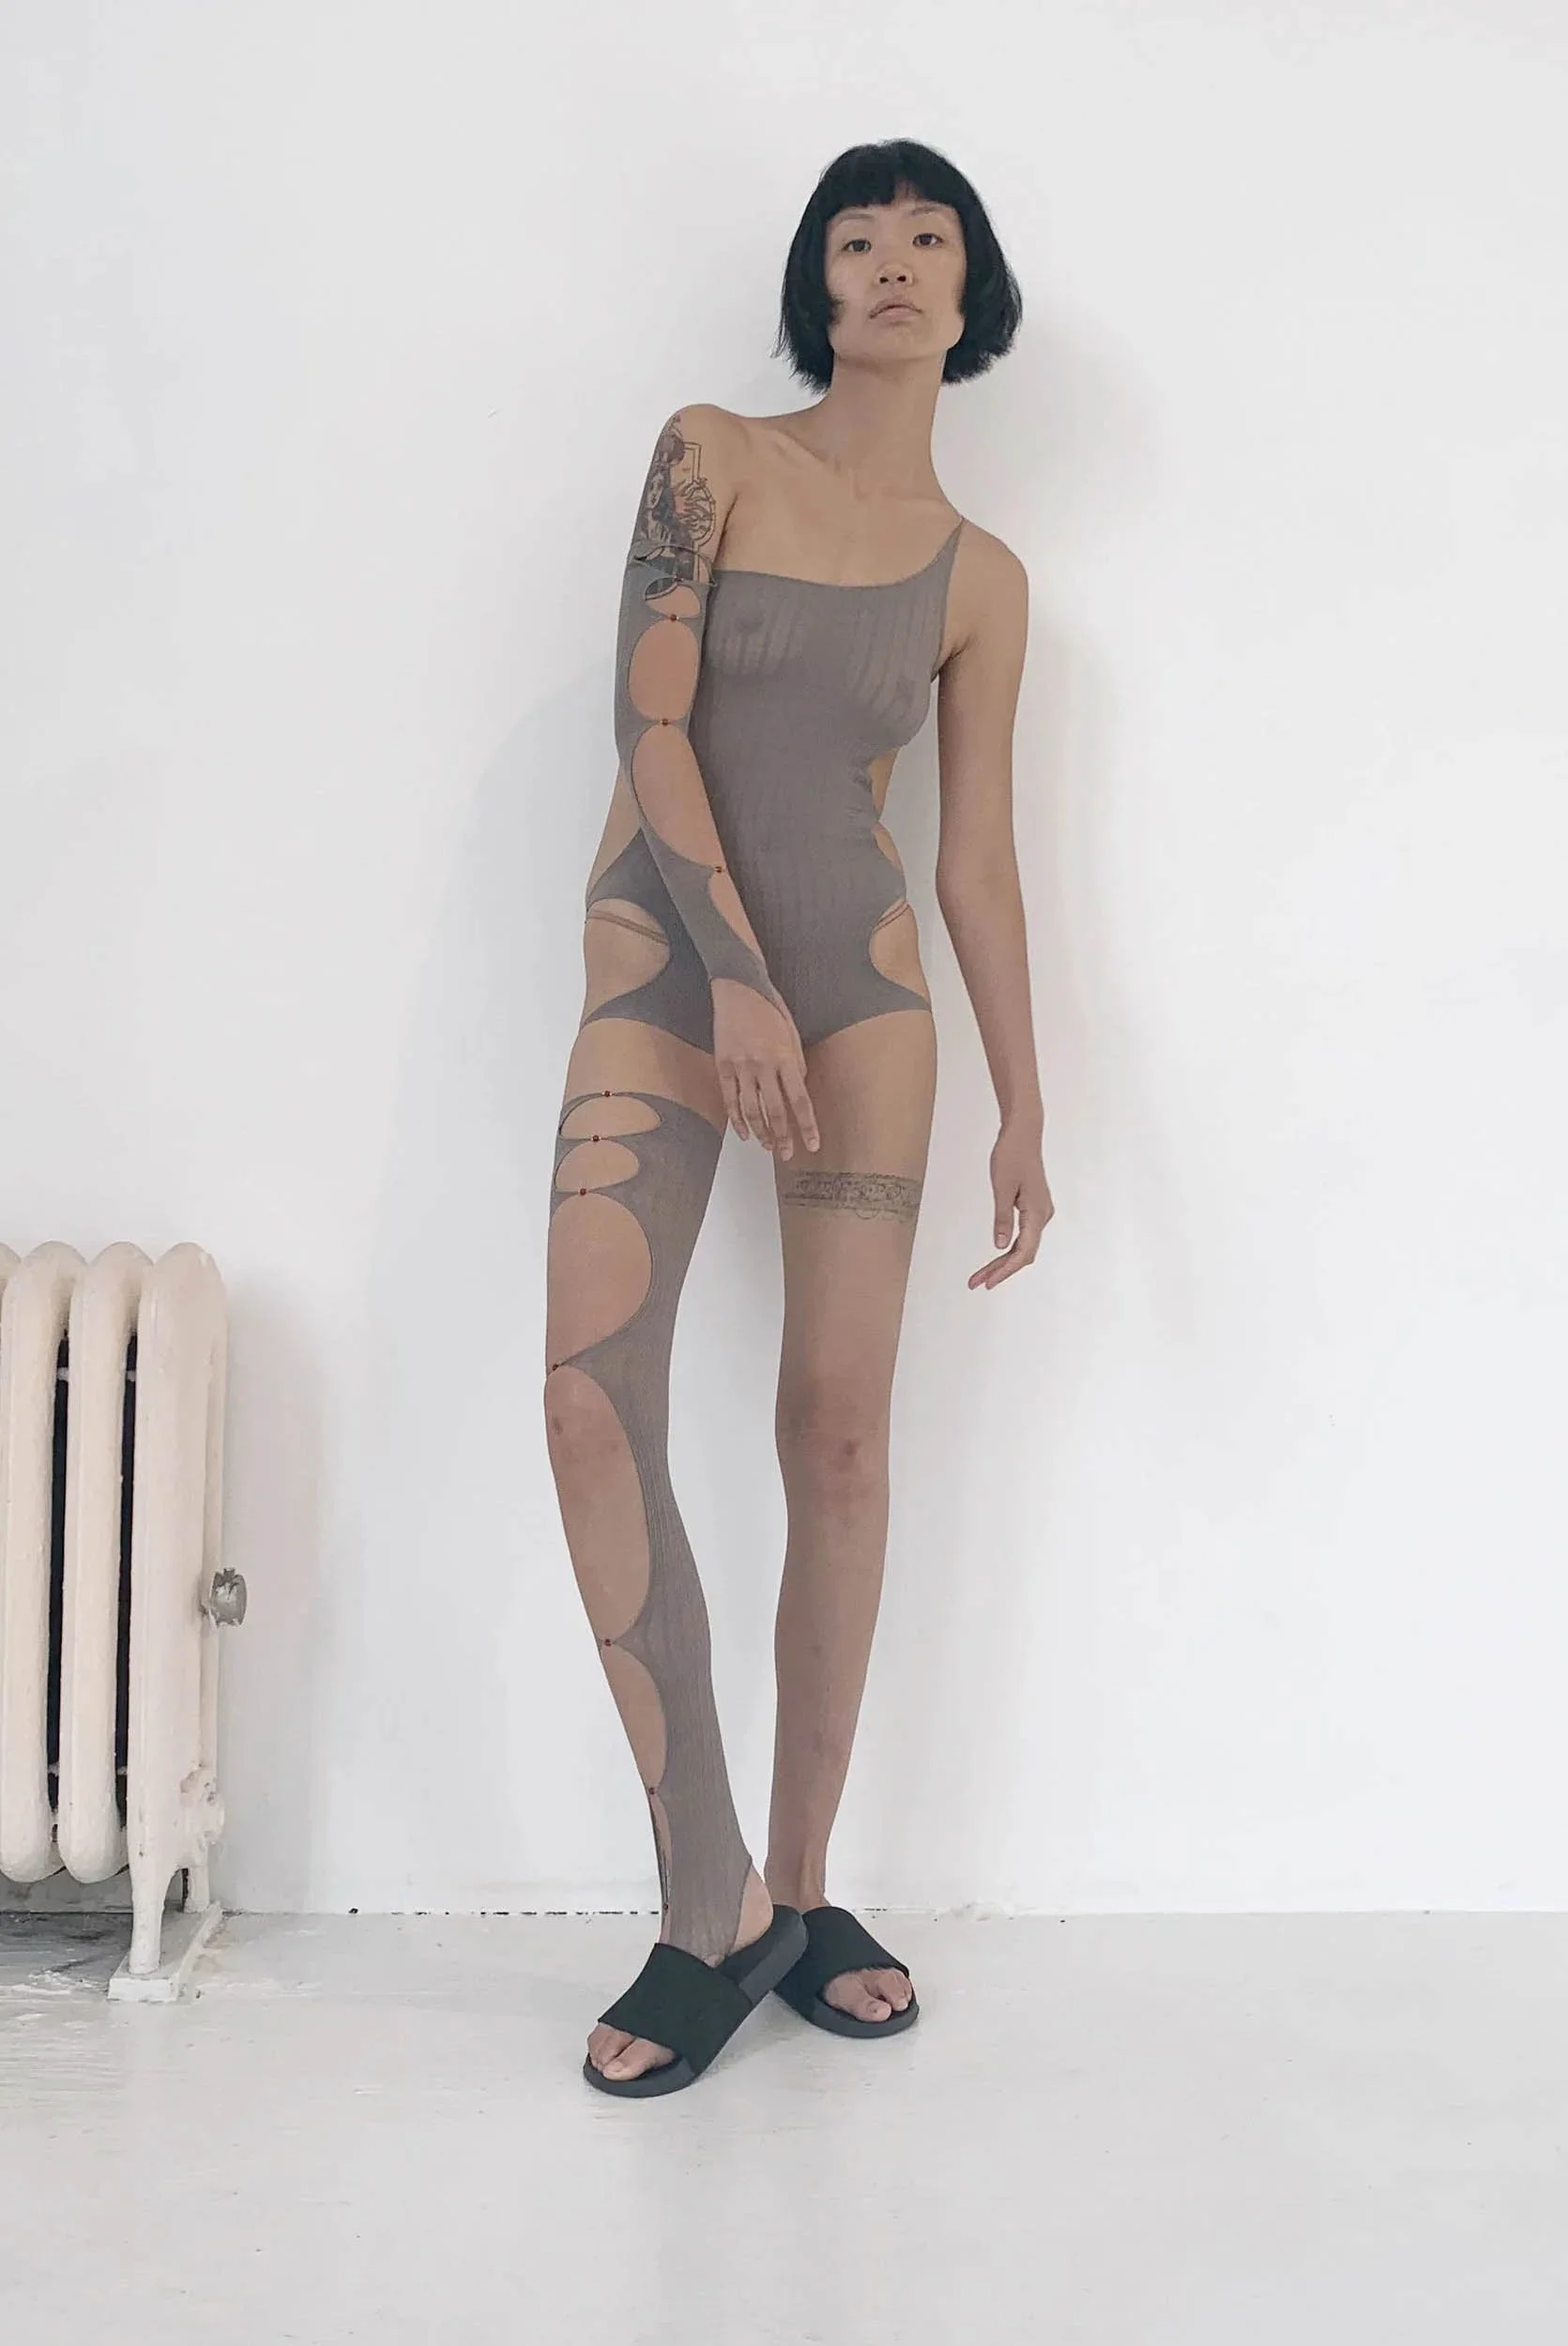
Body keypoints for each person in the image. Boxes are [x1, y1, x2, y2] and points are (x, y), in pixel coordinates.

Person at [543, 137, 1052, 2097]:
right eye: (857, 238)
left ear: (970, 291)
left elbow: (976, 862)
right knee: (587, 1399)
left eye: (929, 238)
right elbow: (649, 715)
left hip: (867, 1000)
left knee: (835, 1435)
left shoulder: (981, 579)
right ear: (816, 283)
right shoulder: (712, 455)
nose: (892, 262)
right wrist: (736, 974)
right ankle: (708, 1896)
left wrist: (1025, 1106)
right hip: (668, 968)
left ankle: (802, 1887)